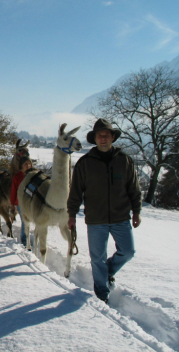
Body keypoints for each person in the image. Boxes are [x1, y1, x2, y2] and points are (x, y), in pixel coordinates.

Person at [67, 118, 142, 304]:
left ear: (112, 137)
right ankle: (102, 294)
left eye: (106, 135)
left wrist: (137, 211)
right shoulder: (85, 163)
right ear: (95, 139)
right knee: (97, 258)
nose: (103, 138)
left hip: (121, 217)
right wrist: (71, 214)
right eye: (100, 135)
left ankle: (107, 271)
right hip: (95, 219)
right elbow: (76, 191)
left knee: (128, 251)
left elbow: (134, 188)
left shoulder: (124, 161)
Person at [10, 156, 33, 247]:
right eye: (25, 164)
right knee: (25, 221)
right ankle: (24, 240)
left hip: (32, 202)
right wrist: (12, 204)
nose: (28, 166)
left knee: (29, 221)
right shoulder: (17, 176)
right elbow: (13, 191)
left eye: (29, 164)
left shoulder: (33, 174)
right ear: (21, 165)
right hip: (20, 203)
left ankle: (28, 237)